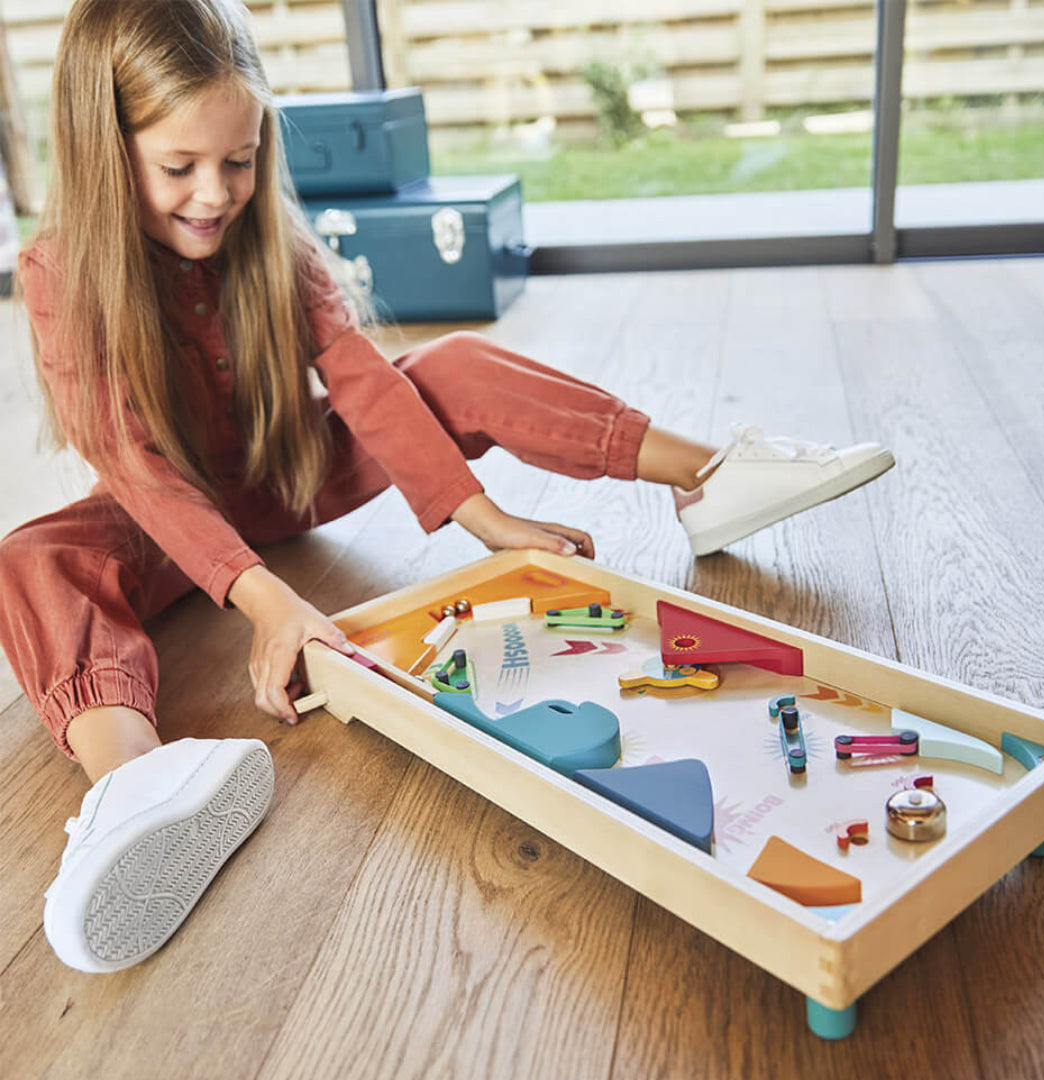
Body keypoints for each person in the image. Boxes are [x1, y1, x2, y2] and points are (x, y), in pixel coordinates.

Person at [1, 0, 895, 974]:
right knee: (34, 557)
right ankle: (136, 783)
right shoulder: (58, 272)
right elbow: (136, 468)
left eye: (241, 159)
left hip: (295, 475)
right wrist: (266, 599)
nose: (216, 193)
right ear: (102, 147)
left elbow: (364, 385)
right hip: (171, 518)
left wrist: (486, 521)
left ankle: (708, 475)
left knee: (453, 362)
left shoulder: (272, 242)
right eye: (180, 168)